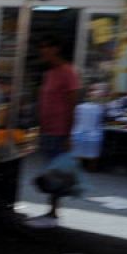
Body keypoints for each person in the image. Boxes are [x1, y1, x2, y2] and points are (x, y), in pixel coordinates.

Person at [29, 35, 83, 228]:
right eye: (41, 46)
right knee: (50, 172)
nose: (43, 50)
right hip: (47, 130)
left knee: (55, 173)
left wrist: (68, 135)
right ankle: (51, 211)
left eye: (46, 46)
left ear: (56, 48)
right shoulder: (49, 73)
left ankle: (53, 212)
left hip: (60, 131)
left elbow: (72, 105)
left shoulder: (68, 72)